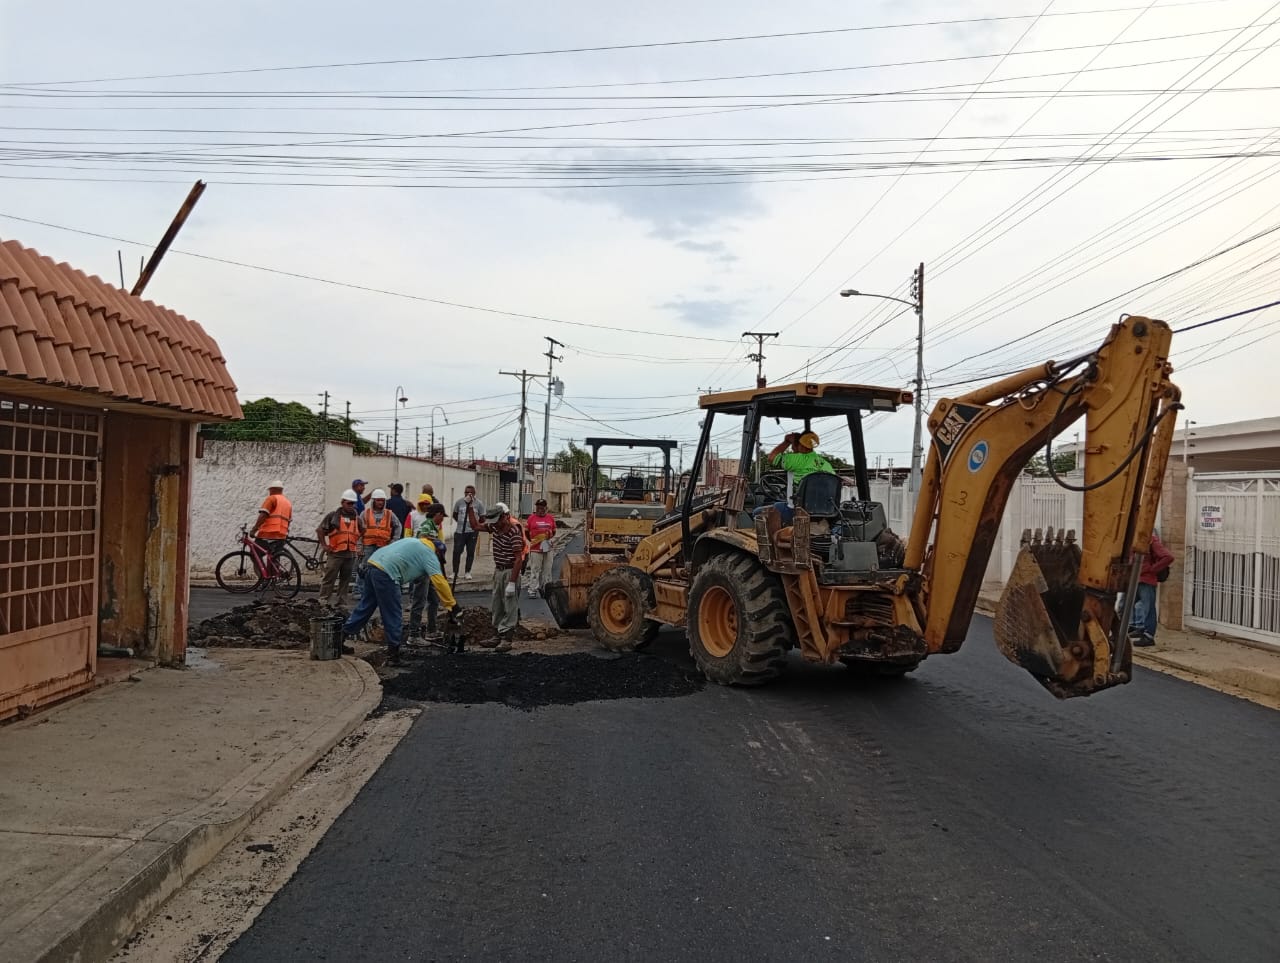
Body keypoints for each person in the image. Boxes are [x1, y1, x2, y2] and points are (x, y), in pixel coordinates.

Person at [344, 535, 459, 666]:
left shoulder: (414, 542)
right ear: (437, 552)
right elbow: (439, 581)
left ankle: (340, 639)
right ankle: (393, 657)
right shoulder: (429, 553)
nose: (437, 561)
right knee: (393, 614)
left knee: (365, 606)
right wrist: (452, 605)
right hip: (387, 573)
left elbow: (411, 568)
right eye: (439, 559)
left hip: (373, 565)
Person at [468, 501, 525, 650]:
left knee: (510, 605)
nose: (496, 524)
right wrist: (470, 507)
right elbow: (475, 526)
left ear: (505, 517)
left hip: (510, 571)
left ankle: (507, 638)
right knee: (497, 604)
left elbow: (518, 559)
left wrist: (512, 582)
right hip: (498, 570)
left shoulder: (514, 532)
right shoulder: (494, 527)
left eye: (497, 520)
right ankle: (497, 635)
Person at [408, 501, 449, 641]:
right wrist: (435, 542)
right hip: (421, 568)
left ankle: (432, 630)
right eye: (442, 516)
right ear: (438, 514)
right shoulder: (427, 525)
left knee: (434, 599)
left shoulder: (434, 527)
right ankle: (413, 633)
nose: (442, 520)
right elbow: (421, 538)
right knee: (420, 600)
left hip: (430, 567)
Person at [316, 490, 364, 607]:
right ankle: (323, 600)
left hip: (350, 554)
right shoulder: (333, 516)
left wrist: (358, 546)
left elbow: (362, 531)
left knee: (345, 580)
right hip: (335, 553)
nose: (351, 506)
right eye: (349, 503)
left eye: (353, 503)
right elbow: (320, 530)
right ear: (342, 502)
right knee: (329, 578)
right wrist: (324, 545)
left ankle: (341, 602)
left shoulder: (357, 519)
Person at [1129, 532, 1174, 647]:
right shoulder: (1131, 538)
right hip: (1134, 579)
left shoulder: (1150, 540)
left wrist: (1152, 569)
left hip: (1146, 580)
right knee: (1126, 605)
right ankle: (1138, 627)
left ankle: (1148, 636)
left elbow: (1168, 557)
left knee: (1148, 609)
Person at [767, 431, 836, 483]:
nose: (792, 448)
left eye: (793, 445)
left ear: (800, 444)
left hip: (801, 498)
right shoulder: (826, 464)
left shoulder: (797, 460)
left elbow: (771, 458)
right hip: (824, 498)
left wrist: (786, 441)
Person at [524, 498, 557, 598]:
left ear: (546, 508)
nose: (540, 510)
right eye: (538, 507)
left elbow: (554, 531)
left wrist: (548, 537)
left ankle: (546, 588)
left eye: (542, 508)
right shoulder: (531, 518)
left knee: (547, 569)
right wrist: (533, 541)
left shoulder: (550, 518)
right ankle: (532, 589)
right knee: (535, 569)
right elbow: (526, 532)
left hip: (548, 547)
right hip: (535, 548)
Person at [249, 480, 292, 557]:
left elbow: (263, 515)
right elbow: (288, 521)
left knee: (254, 554)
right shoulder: (287, 503)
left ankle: (261, 566)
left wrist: (254, 530)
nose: (269, 492)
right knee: (274, 558)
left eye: (270, 490)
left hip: (267, 534)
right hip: (281, 536)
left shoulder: (272, 498)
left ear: (273, 489)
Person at [451, 485, 485, 581]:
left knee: (470, 551)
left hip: (472, 532)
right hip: (460, 531)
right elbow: (455, 514)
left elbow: (482, 517)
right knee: (457, 551)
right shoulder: (459, 502)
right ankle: (455, 572)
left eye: (471, 493)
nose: (468, 494)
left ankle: (467, 572)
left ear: (474, 493)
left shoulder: (479, 504)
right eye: (466, 492)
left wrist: (476, 524)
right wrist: (461, 522)